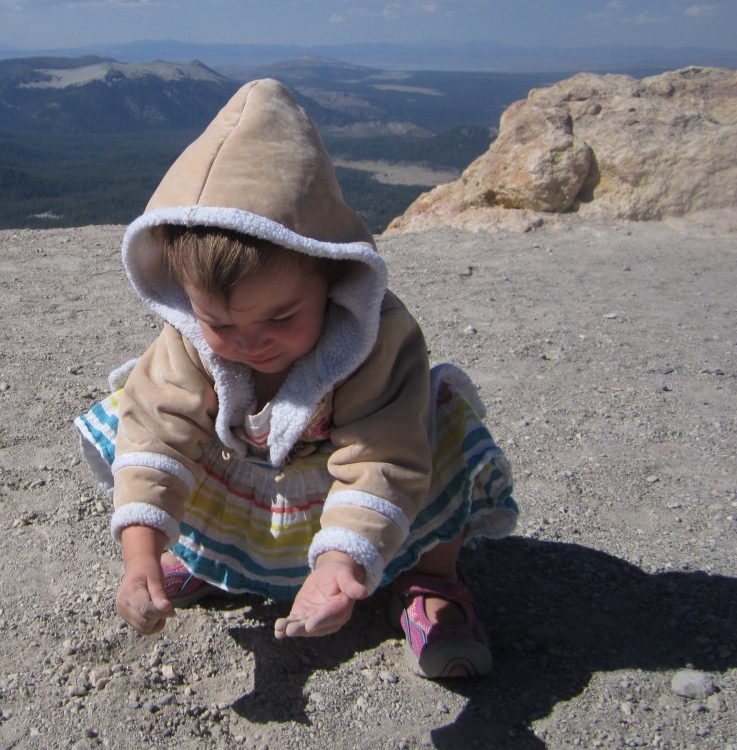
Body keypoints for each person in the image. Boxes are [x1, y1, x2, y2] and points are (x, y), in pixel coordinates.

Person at [74, 79, 517, 678]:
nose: (250, 342)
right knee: (145, 412)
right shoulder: (188, 341)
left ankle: (429, 580)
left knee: (441, 427)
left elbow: (382, 460)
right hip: (256, 477)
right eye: (218, 322)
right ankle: (207, 559)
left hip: (348, 483)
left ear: (332, 273)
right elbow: (155, 437)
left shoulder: (372, 339)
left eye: (280, 317)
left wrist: (341, 562)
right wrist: (140, 555)